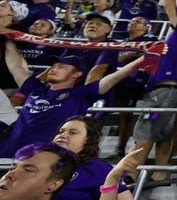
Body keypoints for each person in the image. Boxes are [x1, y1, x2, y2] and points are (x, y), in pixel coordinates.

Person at [0, 47, 143, 157]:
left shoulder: (81, 93)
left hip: (41, 156)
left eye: (61, 66)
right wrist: (8, 40)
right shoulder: (36, 88)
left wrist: (144, 58)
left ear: (77, 74)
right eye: (53, 66)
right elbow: (15, 66)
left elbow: (117, 76)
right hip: (7, 150)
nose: (53, 69)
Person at [51, 116, 135, 200]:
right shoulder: (39, 162)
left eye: (73, 132)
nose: (63, 135)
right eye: (61, 131)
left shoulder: (95, 168)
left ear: (88, 139)